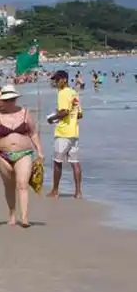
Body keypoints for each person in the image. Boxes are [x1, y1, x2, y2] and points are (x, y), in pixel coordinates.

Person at [0, 85, 43, 228]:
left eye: (12, 99)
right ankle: (12, 215)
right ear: (2, 101)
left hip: (24, 153)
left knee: (22, 184)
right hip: (3, 155)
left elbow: (33, 133)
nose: (10, 102)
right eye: (7, 100)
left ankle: (24, 218)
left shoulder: (25, 113)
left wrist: (39, 150)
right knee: (9, 185)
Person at [47, 70, 83, 198]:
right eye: (55, 80)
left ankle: (55, 191)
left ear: (64, 80)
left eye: (57, 80)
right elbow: (80, 114)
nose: (56, 83)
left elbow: (65, 112)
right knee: (75, 162)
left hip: (63, 132)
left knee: (57, 162)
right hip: (74, 132)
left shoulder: (62, 93)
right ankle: (78, 192)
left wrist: (52, 118)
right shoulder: (74, 93)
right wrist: (63, 115)